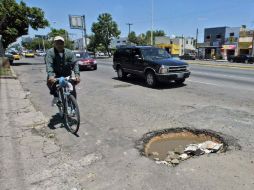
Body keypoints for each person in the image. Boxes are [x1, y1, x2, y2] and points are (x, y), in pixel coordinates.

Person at [45, 36, 80, 105]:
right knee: (50, 83)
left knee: (72, 87)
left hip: (66, 73)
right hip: (55, 74)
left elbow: (75, 63)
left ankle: (73, 105)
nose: (59, 44)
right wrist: (51, 76)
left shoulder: (69, 52)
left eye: (61, 43)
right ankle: (56, 96)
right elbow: (49, 65)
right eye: (57, 43)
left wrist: (77, 75)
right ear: (54, 44)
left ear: (64, 44)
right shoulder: (50, 52)